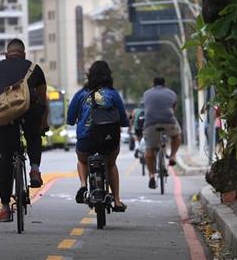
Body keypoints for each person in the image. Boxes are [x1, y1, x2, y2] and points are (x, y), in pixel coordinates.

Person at [0, 38, 48, 222]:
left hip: (6, 115)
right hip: (29, 111)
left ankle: (5, 208)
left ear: (6, 55)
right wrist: (43, 124)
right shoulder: (35, 68)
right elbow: (43, 100)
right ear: (24, 54)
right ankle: (35, 170)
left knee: (5, 158)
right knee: (34, 135)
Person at [67, 61, 128, 212]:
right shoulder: (113, 94)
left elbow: (69, 119)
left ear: (90, 76)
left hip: (86, 140)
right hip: (109, 140)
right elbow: (124, 121)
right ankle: (117, 200)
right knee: (111, 164)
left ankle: (83, 186)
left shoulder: (81, 94)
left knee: (82, 160)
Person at [142, 77, 181, 189]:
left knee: (149, 150)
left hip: (151, 124)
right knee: (177, 135)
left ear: (153, 84)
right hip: (168, 122)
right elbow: (173, 109)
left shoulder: (146, 94)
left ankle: (152, 176)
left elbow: (148, 108)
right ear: (165, 84)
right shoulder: (171, 93)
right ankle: (173, 156)